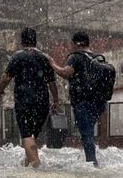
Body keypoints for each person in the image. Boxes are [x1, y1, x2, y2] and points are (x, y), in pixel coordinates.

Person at [0, 28, 59, 168]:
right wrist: (56, 100)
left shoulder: (17, 57)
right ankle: (27, 163)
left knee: (26, 136)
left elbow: (6, 77)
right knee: (33, 137)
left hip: (24, 101)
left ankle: (36, 166)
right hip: (42, 102)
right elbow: (52, 83)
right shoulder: (45, 57)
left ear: (22, 41)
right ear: (35, 40)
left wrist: (0, 90)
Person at [44, 31, 106, 167]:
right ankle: (92, 158)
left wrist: (52, 63)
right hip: (98, 102)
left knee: (86, 133)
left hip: (83, 101)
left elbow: (65, 73)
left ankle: (92, 162)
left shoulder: (75, 57)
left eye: (71, 44)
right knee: (89, 130)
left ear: (76, 43)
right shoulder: (97, 57)